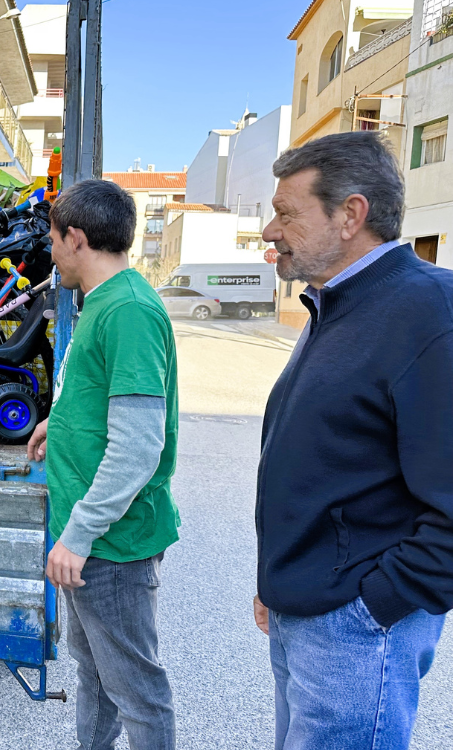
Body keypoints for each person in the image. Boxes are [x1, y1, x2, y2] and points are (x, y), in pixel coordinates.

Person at [255, 131, 452, 749]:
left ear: (351, 215)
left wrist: (373, 607)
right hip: (306, 612)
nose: (269, 230)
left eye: (287, 213)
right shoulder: (339, 306)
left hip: (356, 630)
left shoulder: (428, 311)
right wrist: (281, 581)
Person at [27, 178, 180, 750]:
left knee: (137, 691)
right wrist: (58, 421)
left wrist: (80, 535)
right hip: (90, 537)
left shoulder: (129, 312)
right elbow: (104, 398)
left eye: (52, 239)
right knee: (94, 672)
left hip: (110, 543)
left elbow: (139, 446)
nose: (50, 251)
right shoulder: (105, 303)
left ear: (76, 237)